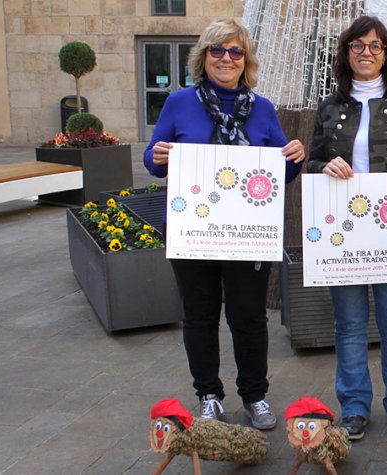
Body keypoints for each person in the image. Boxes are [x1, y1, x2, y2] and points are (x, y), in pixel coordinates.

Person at [143, 18, 305, 431]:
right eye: (217, 49)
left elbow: (281, 173)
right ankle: (209, 395)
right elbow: (154, 160)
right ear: (203, 56)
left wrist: (294, 157)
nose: (226, 58)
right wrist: (156, 155)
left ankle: (254, 395)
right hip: (194, 232)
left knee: (248, 317)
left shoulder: (262, 109)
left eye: (235, 51)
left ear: (245, 60)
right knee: (199, 317)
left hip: (247, 234)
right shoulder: (179, 103)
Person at [306, 15, 387, 441]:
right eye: (357, 45)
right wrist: (324, 166)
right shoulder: (330, 105)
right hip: (343, 233)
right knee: (349, 324)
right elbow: (311, 162)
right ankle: (355, 407)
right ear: (346, 53)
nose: (366, 52)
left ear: (386, 54)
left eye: (375, 46)